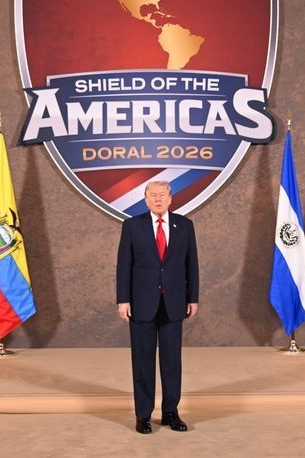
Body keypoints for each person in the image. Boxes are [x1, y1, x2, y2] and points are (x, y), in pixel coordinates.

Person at [116, 180, 199, 434]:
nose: (158, 199)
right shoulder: (132, 226)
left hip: (174, 303)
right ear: (145, 200)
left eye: (162, 194)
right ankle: (143, 415)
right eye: (153, 195)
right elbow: (123, 266)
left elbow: (191, 265)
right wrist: (123, 299)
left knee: (172, 361)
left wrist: (192, 298)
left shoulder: (184, 226)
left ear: (171, 198)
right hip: (141, 303)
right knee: (142, 360)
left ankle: (170, 412)